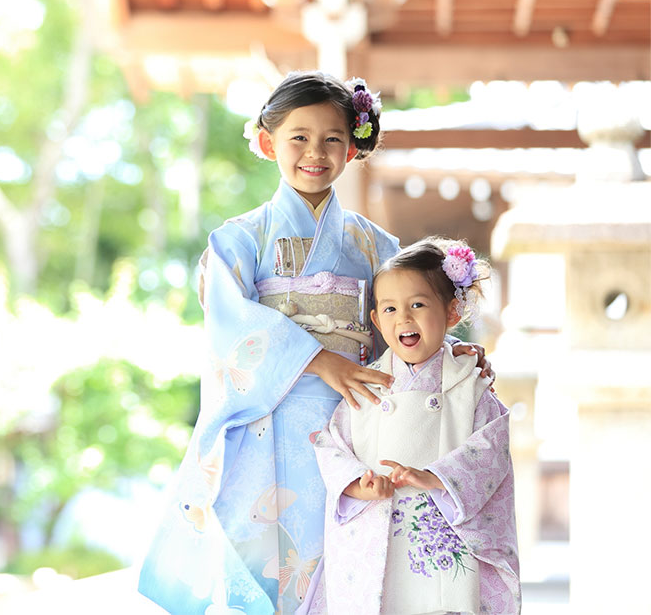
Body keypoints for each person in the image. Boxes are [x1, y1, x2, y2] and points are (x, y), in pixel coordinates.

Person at [137, 71, 491, 615]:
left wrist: (446, 352)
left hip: (354, 425)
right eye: (298, 137)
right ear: (266, 142)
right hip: (265, 423)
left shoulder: (378, 246)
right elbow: (230, 327)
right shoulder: (238, 240)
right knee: (266, 564)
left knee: (352, 565)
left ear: (352, 147)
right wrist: (319, 358)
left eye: (331, 138)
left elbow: (400, 326)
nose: (315, 152)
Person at [298, 238, 520, 615]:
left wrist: (436, 477)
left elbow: (492, 448)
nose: (403, 318)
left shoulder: (469, 383)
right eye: (389, 308)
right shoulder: (366, 383)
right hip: (377, 524)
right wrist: (357, 483)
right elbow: (331, 444)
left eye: (418, 304)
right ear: (376, 321)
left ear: (452, 312)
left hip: (442, 532)